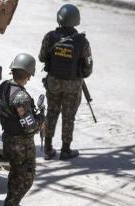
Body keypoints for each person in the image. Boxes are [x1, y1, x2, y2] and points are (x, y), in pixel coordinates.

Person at [0, 53, 44, 206]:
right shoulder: (21, 97)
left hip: (9, 138)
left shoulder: (4, 87)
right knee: (25, 178)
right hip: (21, 144)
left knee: (16, 175)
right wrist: (41, 119)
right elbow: (30, 127)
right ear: (29, 74)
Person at [39, 4, 93, 160]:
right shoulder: (82, 42)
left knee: (51, 113)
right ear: (76, 20)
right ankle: (65, 150)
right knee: (69, 117)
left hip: (53, 82)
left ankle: (48, 149)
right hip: (73, 85)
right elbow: (88, 67)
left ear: (59, 18)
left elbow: (42, 57)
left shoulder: (50, 37)